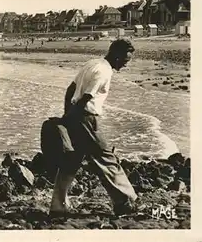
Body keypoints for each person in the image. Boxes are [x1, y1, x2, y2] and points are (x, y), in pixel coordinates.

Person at [49, 39, 139, 217]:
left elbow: (71, 89)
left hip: (76, 116)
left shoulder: (92, 64)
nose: (125, 65)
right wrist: (72, 116)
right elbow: (86, 98)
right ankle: (126, 201)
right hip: (86, 118)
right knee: (105, 158)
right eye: (125, 61)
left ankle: (57, 206)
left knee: (71, 162)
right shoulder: (104, 71)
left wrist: (67, 115)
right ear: (117, 56)